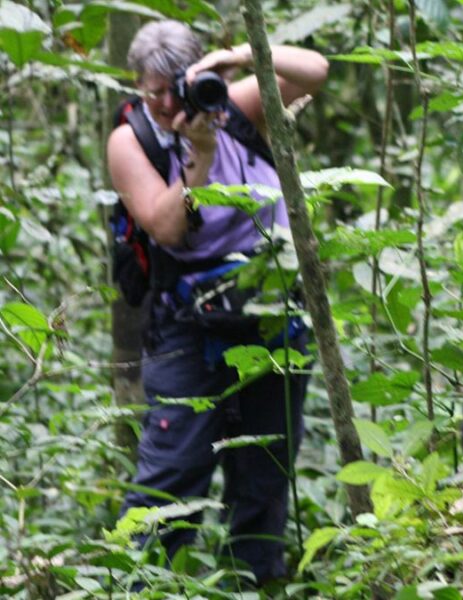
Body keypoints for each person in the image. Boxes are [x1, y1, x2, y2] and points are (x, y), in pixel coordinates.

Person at [107, 19, 328, 584]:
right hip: (188, 322)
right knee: (173, 472)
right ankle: (145, 586)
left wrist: (233, 59)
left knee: (264, 472)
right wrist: (198, 155)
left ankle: (255, 582)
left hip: (273, 308)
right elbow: (164, 227)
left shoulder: (232, 102)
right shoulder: (133, 139)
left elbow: (315, 71)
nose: (162, 103)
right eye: (149, 90)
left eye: (171, 87)